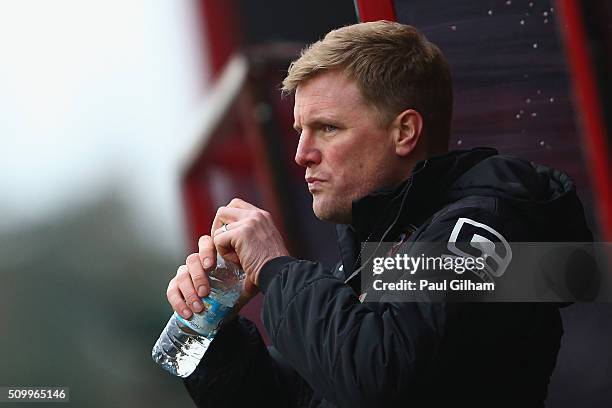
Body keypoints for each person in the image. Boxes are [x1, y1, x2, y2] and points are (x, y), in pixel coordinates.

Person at [165, 21, 592, 407]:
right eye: (300, 131)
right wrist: (217, 334)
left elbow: (378, 379)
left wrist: (274, 267)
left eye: (328, 128)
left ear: (404, 132)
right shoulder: (379, 251)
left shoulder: (483, 230)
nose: (301, 155)